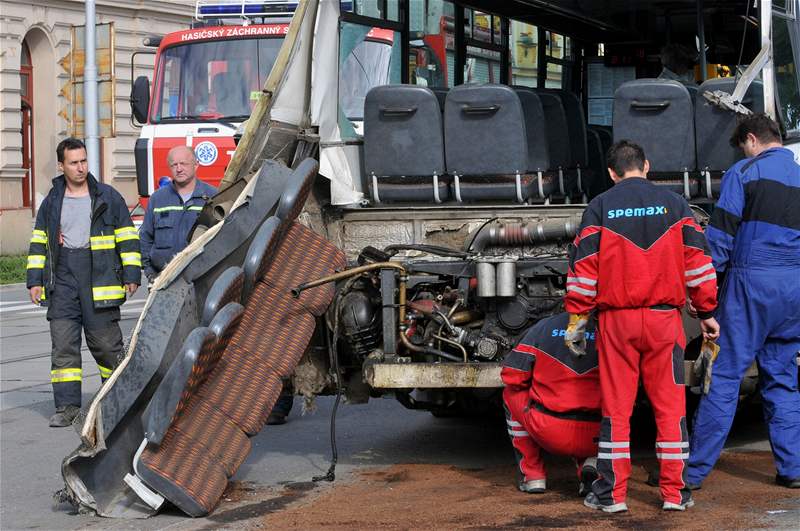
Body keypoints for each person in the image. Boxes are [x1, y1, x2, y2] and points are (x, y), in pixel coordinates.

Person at [565, 140, 720, 513]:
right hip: (665, 323)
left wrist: (577, 319)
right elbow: (699, 265)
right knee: (671, 409)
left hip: (617, 323)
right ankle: (674, 495)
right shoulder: (677, 206)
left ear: (611, 173)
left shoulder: (599, 207)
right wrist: (706, 312)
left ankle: (612, 496)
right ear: (646, 166)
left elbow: (584, 273)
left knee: (616, 410)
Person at [688, 113, 800, 490]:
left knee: (723, 377)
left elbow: (720, 241)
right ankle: (793, 469)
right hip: (794, 289)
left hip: (752, 282)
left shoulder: (743, 173)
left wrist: (703, 293)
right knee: (782, 380)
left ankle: (693, 472)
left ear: (751, 139)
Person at [26, 137, 141, 427]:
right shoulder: (52, 201)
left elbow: (127, 237)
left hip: (99, 279)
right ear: (61, 165)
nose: (80, 167)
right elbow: (40, 242)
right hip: (63, 279)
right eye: (74, 162)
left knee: (106, 346)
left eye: (83, 161)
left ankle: (115, 400)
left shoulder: (107, 196)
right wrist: (34, 281)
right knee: (63, 346)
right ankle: (66, 407)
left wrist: (131, 274)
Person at [502, 312, 600, 496]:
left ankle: (532, 475)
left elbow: (512, 376)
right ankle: (592, 465)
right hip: (597, 434)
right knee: (618, 402)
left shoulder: (543, 327)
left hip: (548, 430)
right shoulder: (608, 328)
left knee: (510, 394)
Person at [139, 145, 217, 282]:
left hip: (201, 279)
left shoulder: (212, 196)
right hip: (162, 278)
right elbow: (145, 238)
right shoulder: (158, 199)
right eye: (174, 165)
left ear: (196, 165)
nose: (179, 169)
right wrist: (150, 272)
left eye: (183, 164)